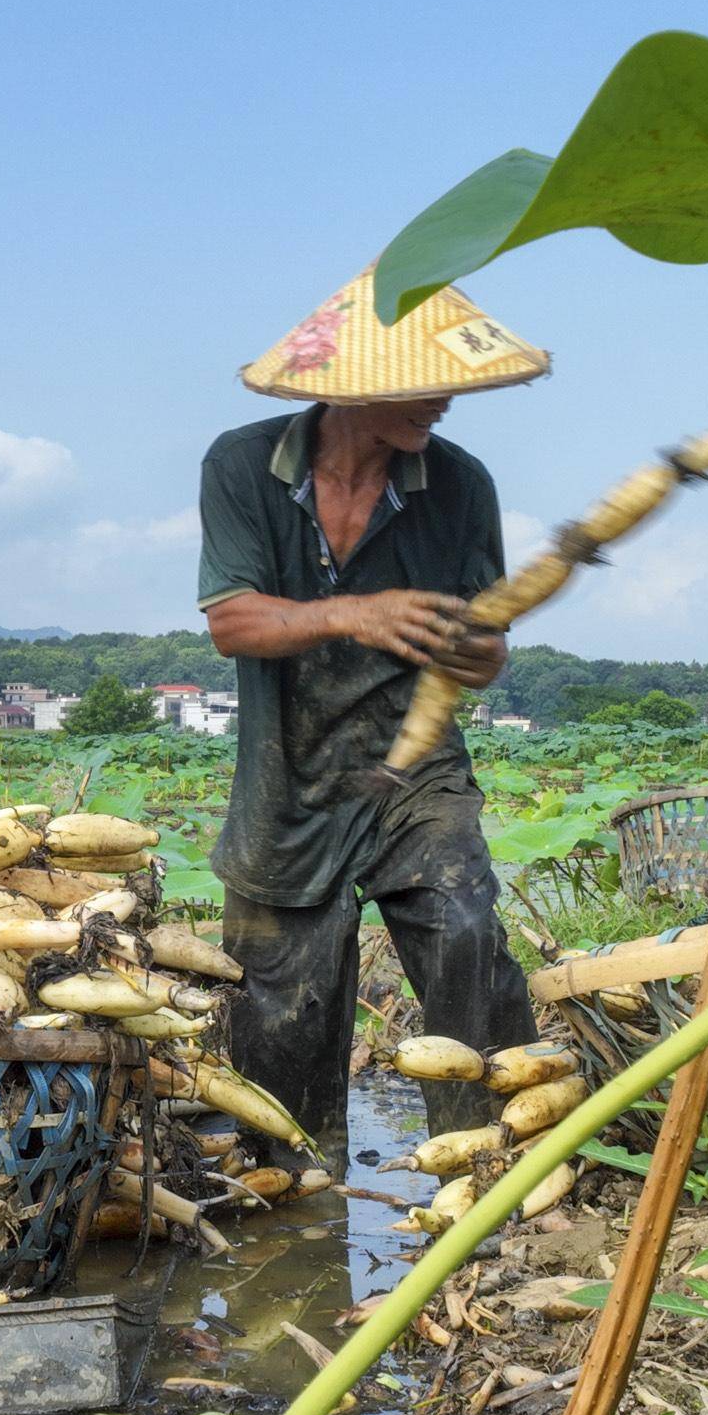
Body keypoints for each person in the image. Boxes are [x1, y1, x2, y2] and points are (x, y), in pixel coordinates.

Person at [194, 268, 545, 1149]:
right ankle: (298, 1199)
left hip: (413, 769)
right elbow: (232, 621)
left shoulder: (462, 486)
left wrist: (472, 647)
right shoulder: (242, 465)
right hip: (289, 777)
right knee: (279, 1020)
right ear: (355, 388)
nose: (446, 406)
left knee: (463, 926)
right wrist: (357, 612)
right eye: (426, 386)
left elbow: (491, 654)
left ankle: (480, 1161)